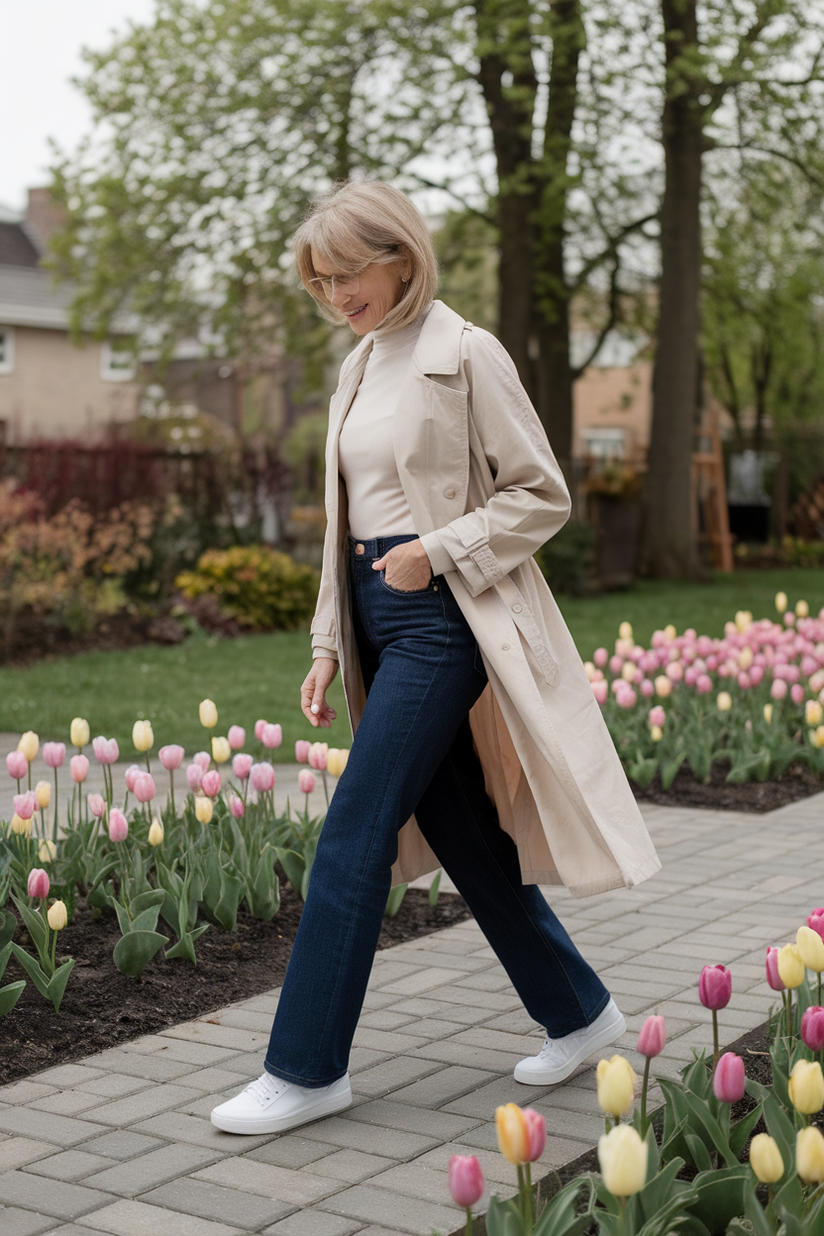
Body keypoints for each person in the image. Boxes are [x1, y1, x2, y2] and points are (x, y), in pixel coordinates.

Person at [211, 181, 661, 1136]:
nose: (336, 296)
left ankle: (304, 1068)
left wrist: (441, 549)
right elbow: (345, 525)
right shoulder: (359, 367)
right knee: (462, 834)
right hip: (378, 614)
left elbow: (543, 495)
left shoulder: (466, 353)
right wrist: (331, 643)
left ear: (402, 258)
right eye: (320, 283)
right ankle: (581, 1014)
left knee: (353, 833)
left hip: (445, 617)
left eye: (347, 274)